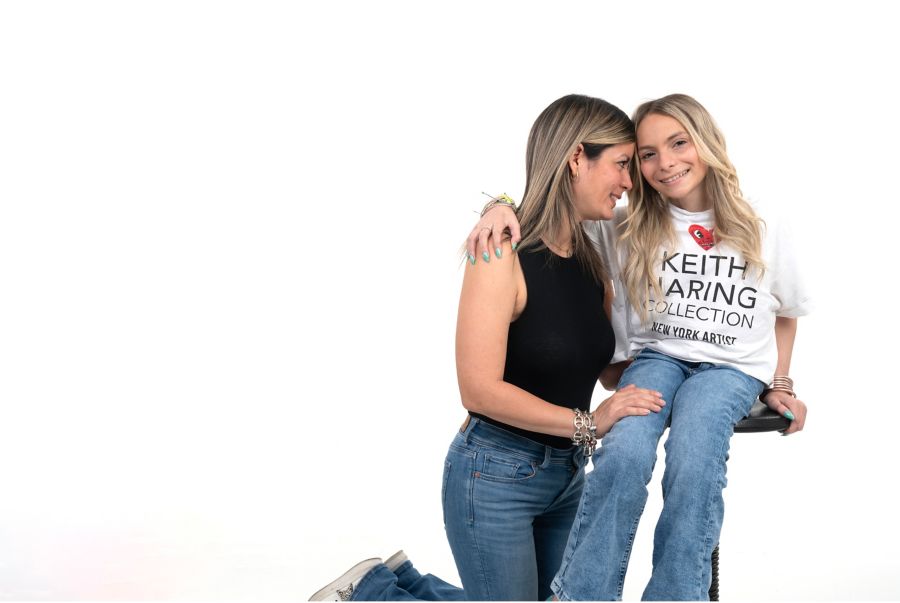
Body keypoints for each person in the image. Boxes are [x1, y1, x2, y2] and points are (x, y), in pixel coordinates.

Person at [308, 94, 664, 601]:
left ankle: (398, 583)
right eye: (622, 164)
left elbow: (603, 368)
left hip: (568, 475)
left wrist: (688, 373)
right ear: (575, 158)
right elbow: (477, 390)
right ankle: (372, 595)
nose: (630, 182)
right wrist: (592, 422)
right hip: (495, 474)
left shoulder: (593, 258)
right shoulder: (500, 253)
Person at [465, 93, 810, 600]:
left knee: (694, 458)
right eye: (644, 155)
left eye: (678, 143)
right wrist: (499, 204)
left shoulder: (763, 222)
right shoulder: (624, 223)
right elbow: (555, 200)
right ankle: (583, 594)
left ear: (706, 142)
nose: (664, 163)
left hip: (730, 370)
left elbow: (785, 310)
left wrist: (780, 383)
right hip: (658, 359)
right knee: (624, 453)